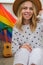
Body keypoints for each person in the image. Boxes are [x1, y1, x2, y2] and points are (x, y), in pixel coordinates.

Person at [11, 0, 43, 65]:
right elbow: (13, 48)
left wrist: (41, 14)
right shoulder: (16, 27)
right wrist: (20, 47)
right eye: (25, 8)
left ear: (34, 11)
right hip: (23, 55)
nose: (28, 11)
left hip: (37, 54)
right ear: (20, 10)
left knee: (37, 51)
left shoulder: (39, 23)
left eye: (31, 9)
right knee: (23, 51)